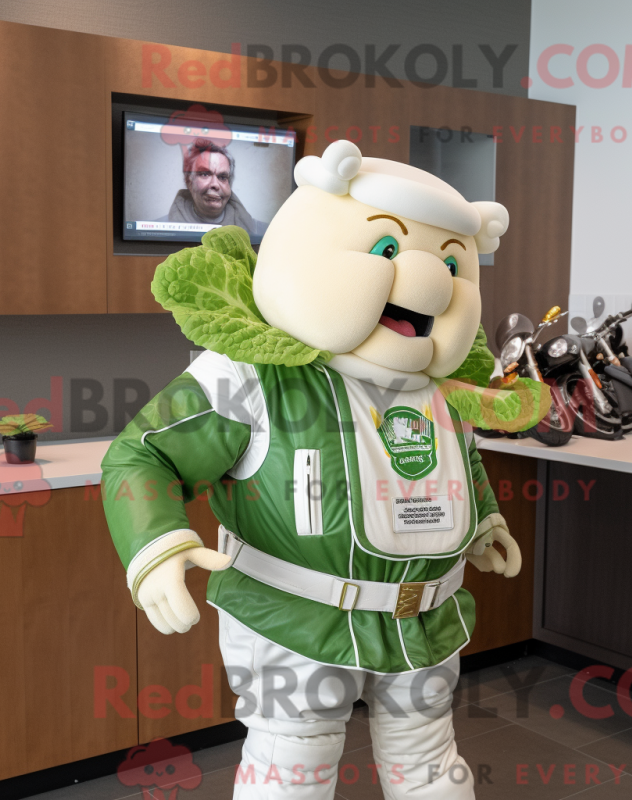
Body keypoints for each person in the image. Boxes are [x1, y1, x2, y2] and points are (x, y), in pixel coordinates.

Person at [104, 141, 549, 799]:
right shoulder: (252, 375)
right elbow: (144, 453)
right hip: (297, 622)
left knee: (431, 768)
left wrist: (482, 522)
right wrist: (156, 545)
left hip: (423, 622)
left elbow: (458, 460)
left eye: (453, 264)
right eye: (388, 250)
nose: (433, 283)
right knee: (293, 770)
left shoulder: (436, 387)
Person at [166, 138, 267, 237]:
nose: (215, 184)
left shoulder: (263, 232)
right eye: (205, 174)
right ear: (189, 181)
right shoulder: (163, 226)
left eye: (222, 177)